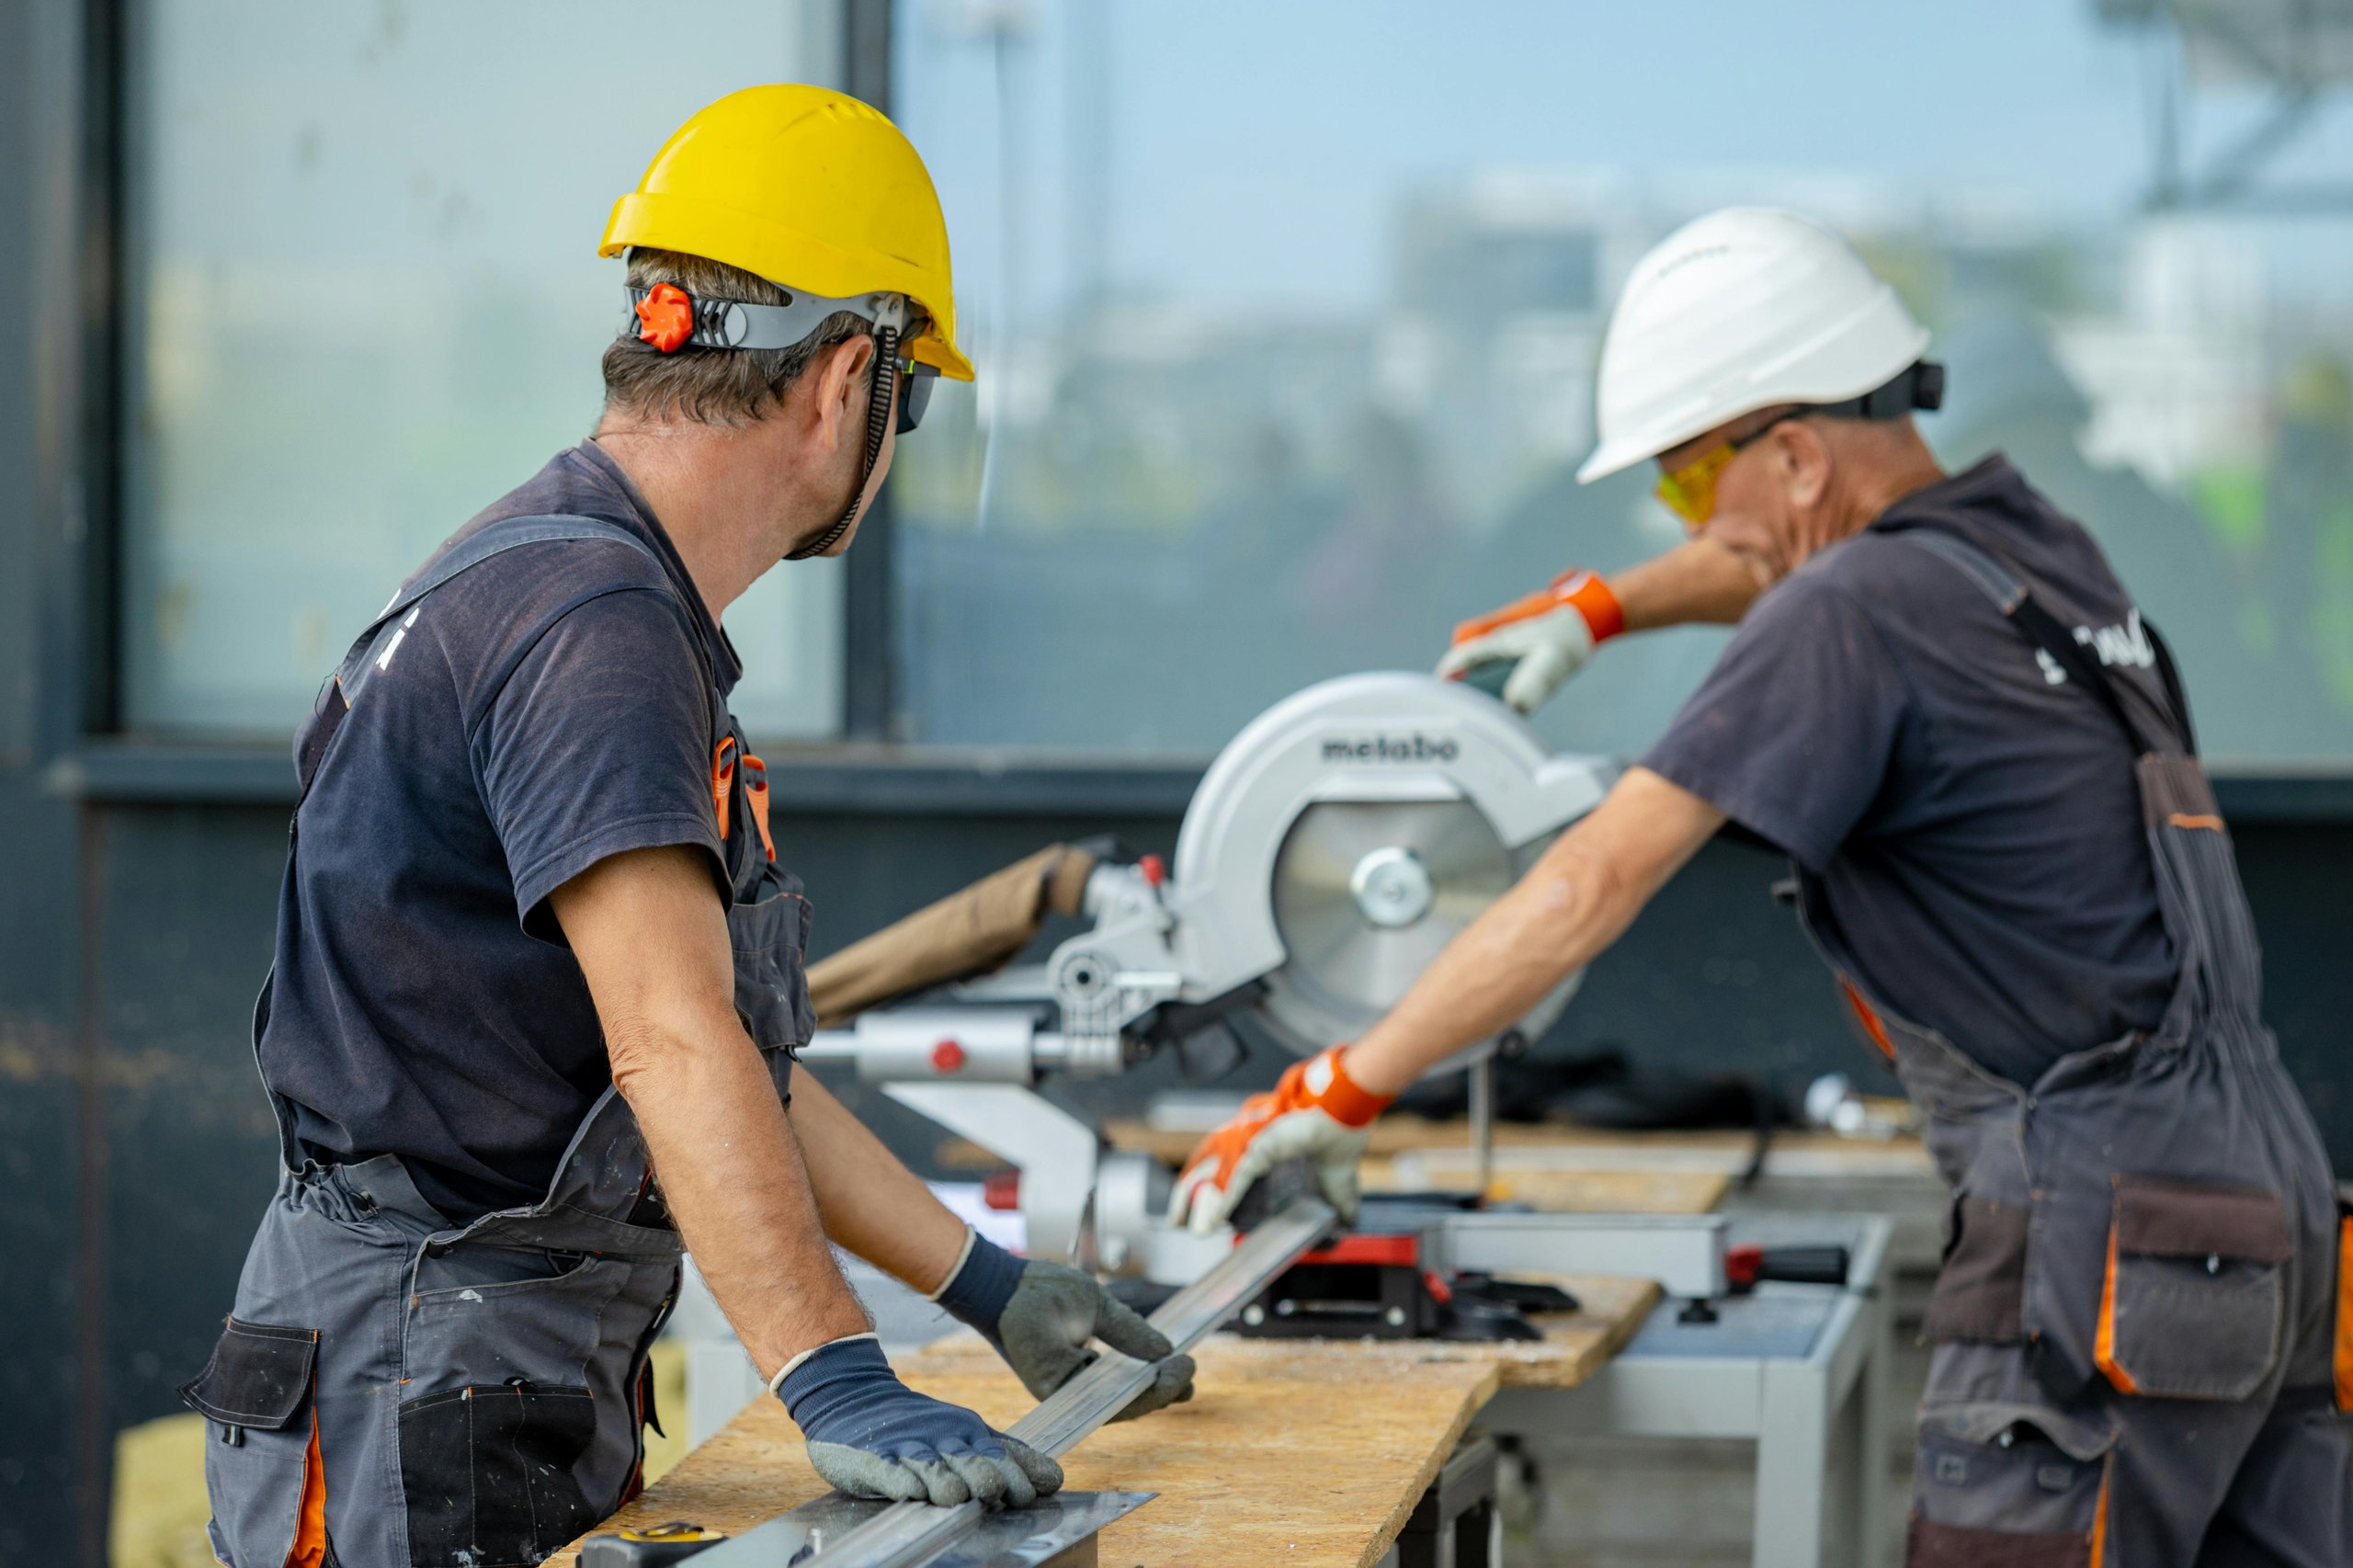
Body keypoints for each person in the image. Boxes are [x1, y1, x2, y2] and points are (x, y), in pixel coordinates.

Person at [1170, 207, 2347, 1563]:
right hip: (2271, 1217)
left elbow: (1586, 886)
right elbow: (1774, 559)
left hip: (2102, 1251)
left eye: (1680, 484)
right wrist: (1608, 604)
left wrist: (1344, 1082)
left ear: (1792, 450)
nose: (1684, 519)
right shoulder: (2034, 554)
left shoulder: (1850, 615)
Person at [181, 86, 1190, 1568]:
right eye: (908, 402)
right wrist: (833, 1368)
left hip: (461, 1354)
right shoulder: (596, 626)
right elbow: (672, 1040)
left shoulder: (560, 578)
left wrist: (985, 1284)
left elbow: (721, 1063)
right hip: (418, 1380)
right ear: (848, 379)